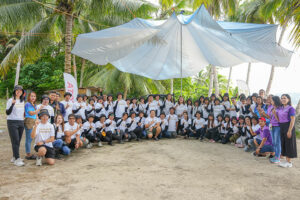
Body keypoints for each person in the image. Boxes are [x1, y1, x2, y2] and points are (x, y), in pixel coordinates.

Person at [6, 85, 26, 166]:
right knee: (15, 141)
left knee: (18, 141)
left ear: (22, 92)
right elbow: (7, 112)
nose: (19, 92)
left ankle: (14, 156)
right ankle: (17, 159)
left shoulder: (22, 101)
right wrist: (12, 104)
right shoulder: (10, 100)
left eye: (20, 90)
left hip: (21, 122)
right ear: (14, 91)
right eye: (17, 90)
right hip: (12, 122)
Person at [277, 94, 297, 168]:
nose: (283, 99)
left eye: (285, 98)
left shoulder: (291, 108)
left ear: (288, 99)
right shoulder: (281, 108)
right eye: (282, 98)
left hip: (288, 126)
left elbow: (293, 120)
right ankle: (286, 160)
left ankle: (289, 162)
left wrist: (289, 131)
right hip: (282, 126)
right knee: (284, 143)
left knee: (289, 144)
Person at [263, 96, 281, 163]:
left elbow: (280, 120)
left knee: (277, 142)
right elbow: (270, 118)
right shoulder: (271, 108)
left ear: (275, 101)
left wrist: (275, 114)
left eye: (272, 100)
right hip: (271, 125)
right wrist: (264, 114)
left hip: (277, 126)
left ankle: (278, 157)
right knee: (273, 142)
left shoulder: (280, 108)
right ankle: (276, 155)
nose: (271, 101)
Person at [24, 91, 40, 160]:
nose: (33, 97)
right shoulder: (27, 104)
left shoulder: (34, 104)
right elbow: (31, 113)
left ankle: (29, 153)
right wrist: (39, 109)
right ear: (29, 97)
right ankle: (28, 154)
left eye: (34, 96)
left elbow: (36, 114)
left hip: (33, 121)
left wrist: (37, 119)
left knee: (32, 137)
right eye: (31, 96)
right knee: (29, 138)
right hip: (29, 121)